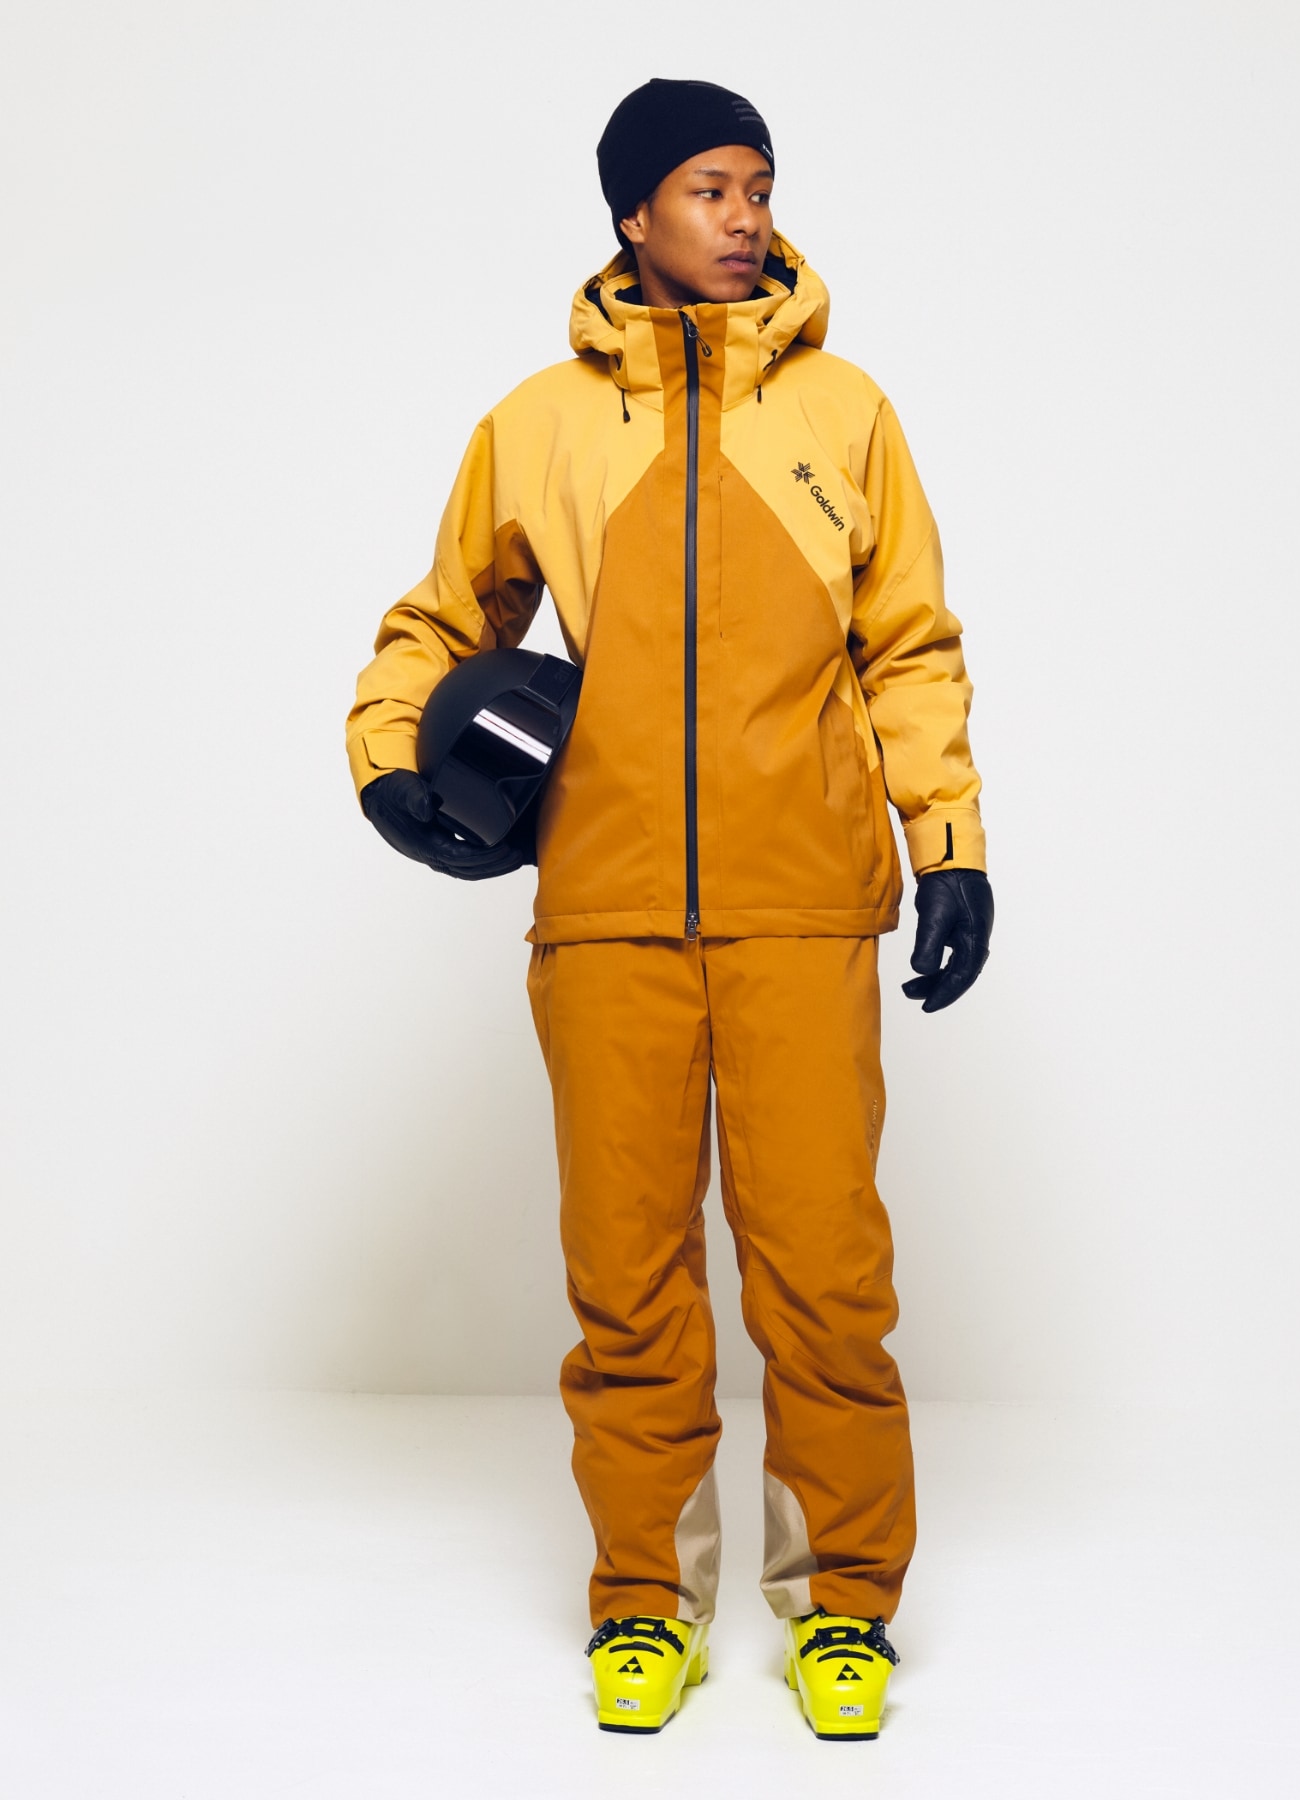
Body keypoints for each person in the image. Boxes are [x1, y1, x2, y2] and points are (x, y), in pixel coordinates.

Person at [345, 77, 993, 1741]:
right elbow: (442, 621)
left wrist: (950, 847)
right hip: (608, 910)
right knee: (627, 1282)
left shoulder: (843, 412)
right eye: (710, 187)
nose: (746, 216)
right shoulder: (539, 426)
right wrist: (389, 765)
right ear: (633, 213)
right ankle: (646, 1597)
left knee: (825, 1280)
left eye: (759, 185)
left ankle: (840, 1607)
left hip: (802, 908)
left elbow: (909, 648)